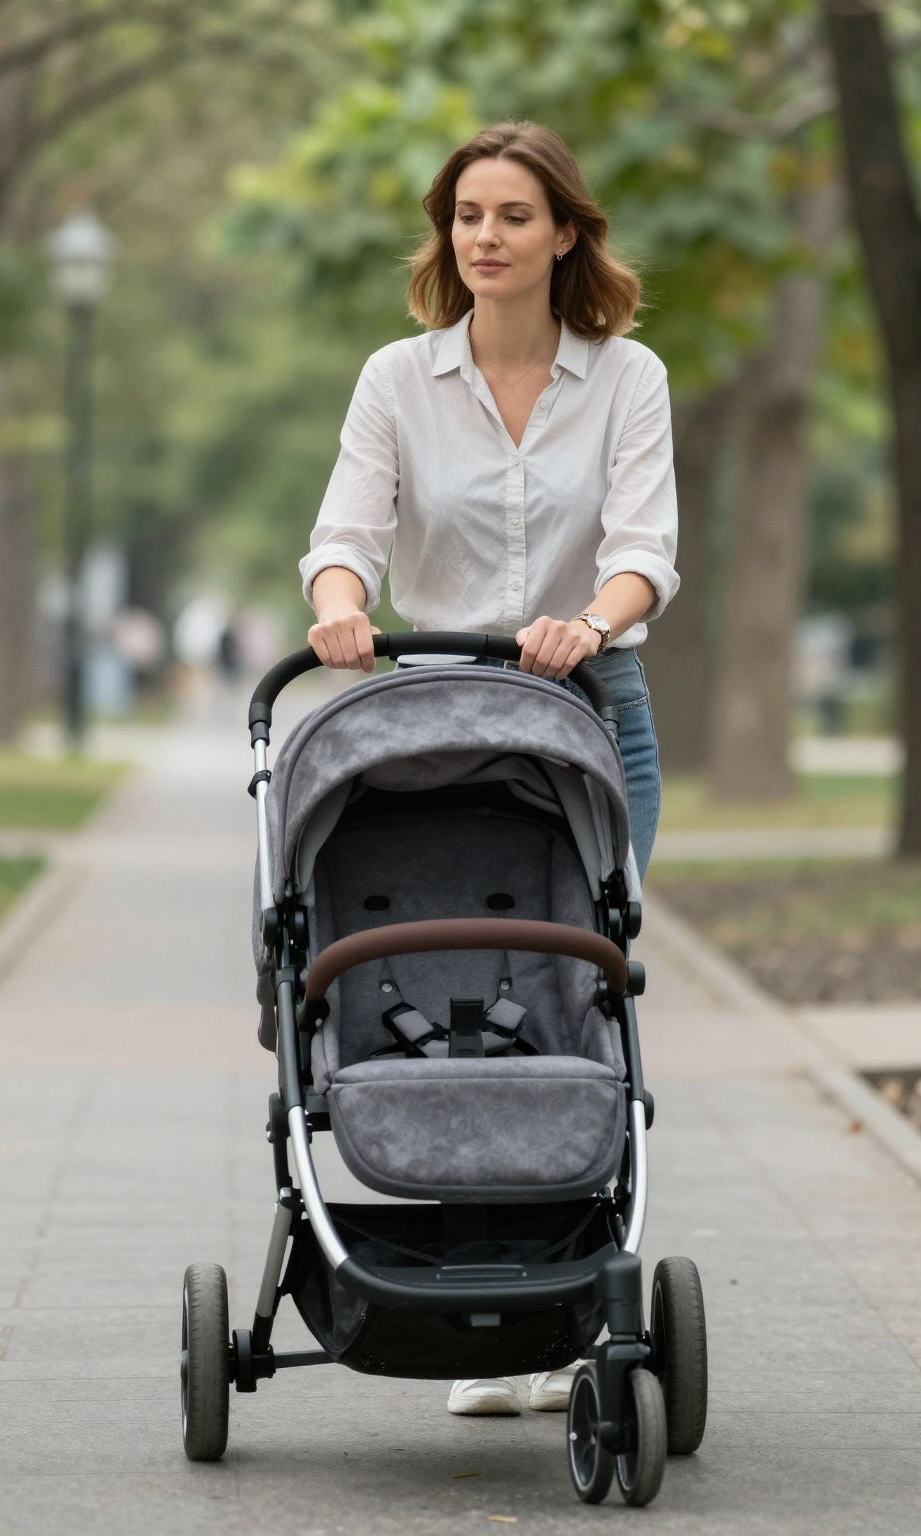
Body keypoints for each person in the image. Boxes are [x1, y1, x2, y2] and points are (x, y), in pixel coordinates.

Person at [298, 120, 678, 1419]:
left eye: (515, 215)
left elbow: (645, 547)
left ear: (565, 232)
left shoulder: (626, 379)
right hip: (433, 729)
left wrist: (592, 623)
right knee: (447, 981)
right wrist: (341, 607)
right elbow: (347, 531)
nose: (487, 237)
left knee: (571, 986)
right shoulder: (399, 380)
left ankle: (566, 1296)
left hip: (584, 719)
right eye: (468, 216)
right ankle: (481, 1296)